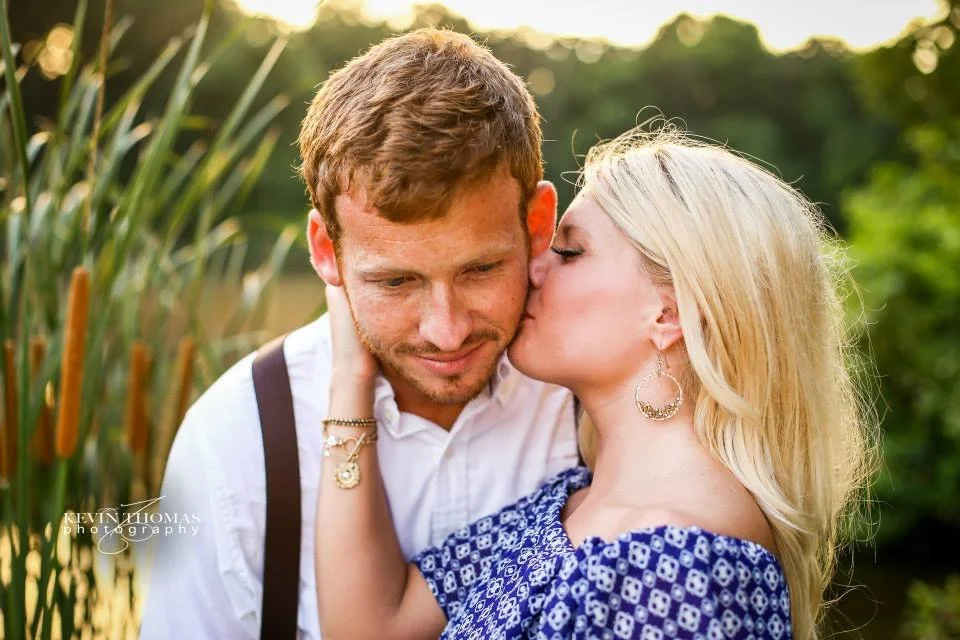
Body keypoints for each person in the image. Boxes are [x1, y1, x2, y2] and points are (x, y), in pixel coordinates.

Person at [315, 126, 877, 639]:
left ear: (669, 313)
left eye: (569, 252)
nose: (531, 267)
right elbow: (370, 629)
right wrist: (352, 372)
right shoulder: (568, 506)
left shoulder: (684, 575)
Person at [139, 29, 580, 638]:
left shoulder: (597, 395)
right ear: (326, 249)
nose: (446, 331)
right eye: (397, 282)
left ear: (537, 225)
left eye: (481, 270)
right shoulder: (234, 437)